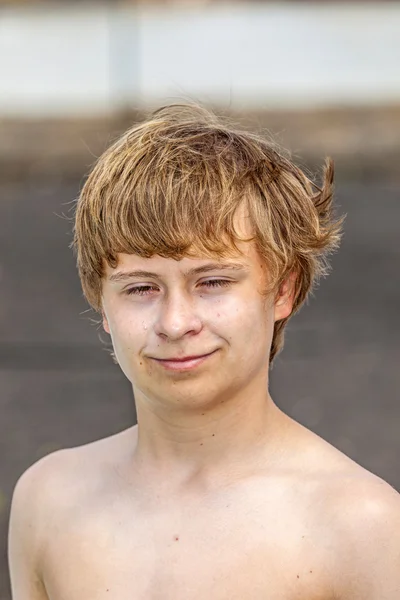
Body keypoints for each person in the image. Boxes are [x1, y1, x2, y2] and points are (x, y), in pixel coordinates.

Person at [8, 103, 400, 599]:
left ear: (282, 290)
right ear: (101, 304)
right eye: (141, 289)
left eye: (212, 282)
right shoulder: (48, 500)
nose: (175, 323)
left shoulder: (360, 527)